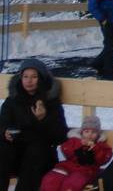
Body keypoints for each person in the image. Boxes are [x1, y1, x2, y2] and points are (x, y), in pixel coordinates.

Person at [0, 59, 69, 191]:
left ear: (41, 78)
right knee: (2, 149)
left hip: (41, 156)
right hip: (16, 152)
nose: (29, 81)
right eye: (25, 76)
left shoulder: (51, 102)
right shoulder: (13, 100)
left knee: (35, 150)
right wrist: (5, 132)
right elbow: (2, 124)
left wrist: (43, 119)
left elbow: (60, 136)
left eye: (34, 77)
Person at [39, 115, 112, 191]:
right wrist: (79, 145)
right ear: (82, 132)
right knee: (52, 179)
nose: (90, 134)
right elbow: (66, 151)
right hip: (67, 166)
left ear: (98, 134)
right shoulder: (75, 141)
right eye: (87, 131)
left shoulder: (101, 145)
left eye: (93, 132)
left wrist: (95, 148)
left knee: (72, 183)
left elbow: (104, 159)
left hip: (86, 171)